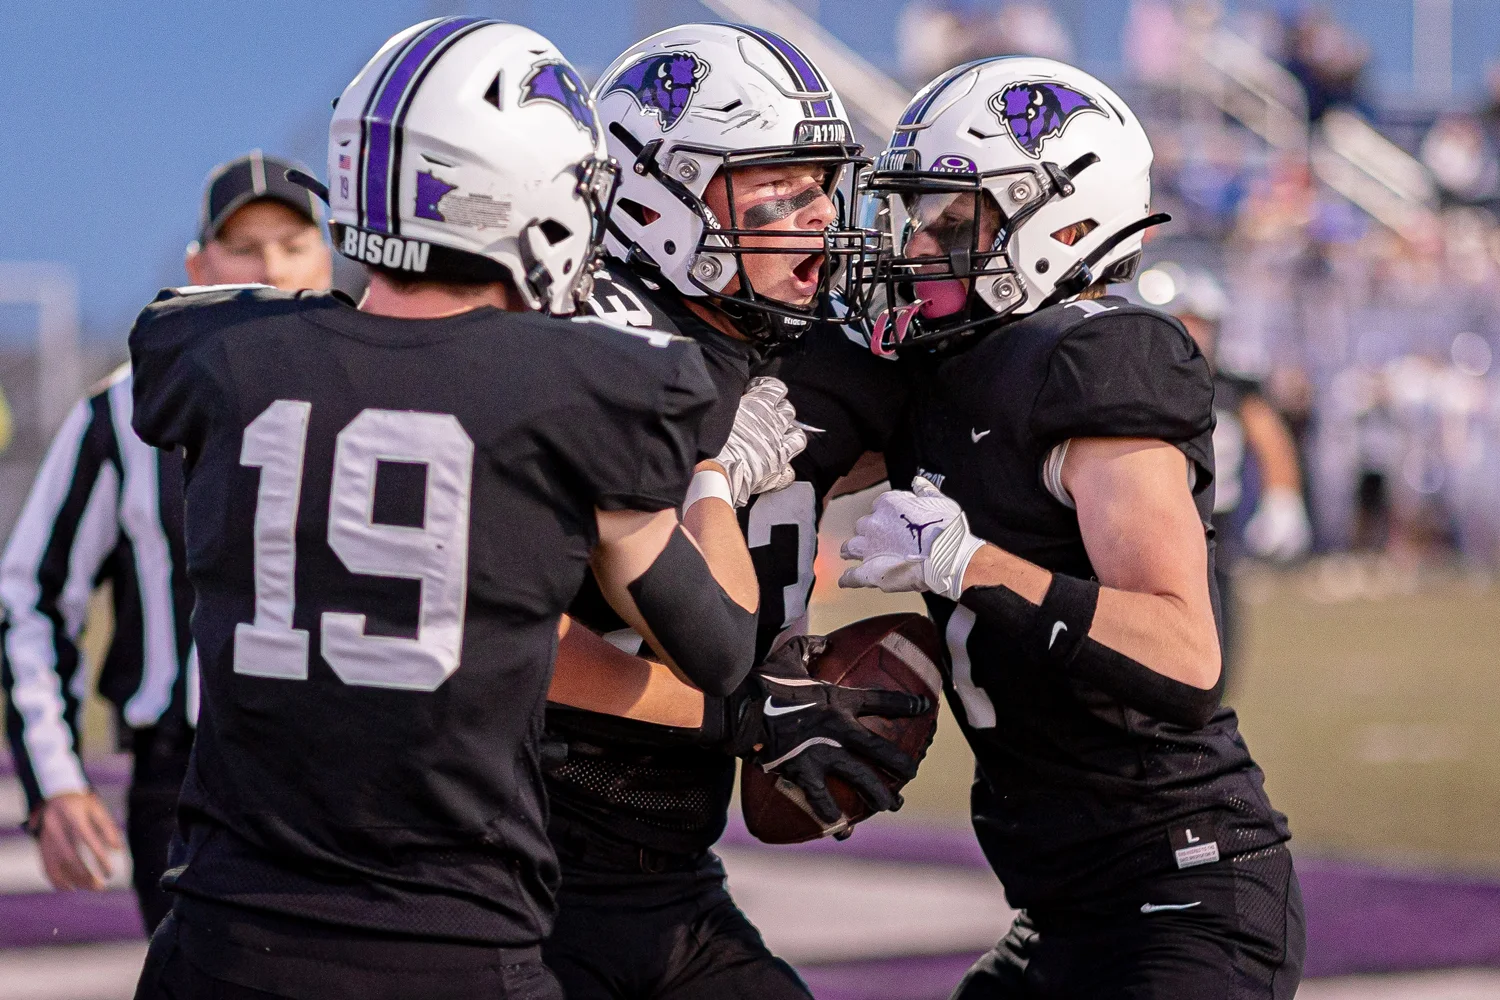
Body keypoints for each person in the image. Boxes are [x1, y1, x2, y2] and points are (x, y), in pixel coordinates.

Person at [128, 19, 761, 1000]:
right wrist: (708, 472)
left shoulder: (215, 351)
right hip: (447, 948)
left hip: (217, 941)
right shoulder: (579, 388)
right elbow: (720, 648)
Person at [837, 57, 1305, 999]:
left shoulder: (1095, 356)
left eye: (955, 220)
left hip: (1183, 891)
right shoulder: (950, 372)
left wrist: (969, 564)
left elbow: (1183, 655)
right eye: (920, 217)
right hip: (1060, 913)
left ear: (1066, 222)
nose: (922, 247)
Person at [537, 24, 925, 1000]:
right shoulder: (577, 354)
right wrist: (750, 708)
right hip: (505, 867)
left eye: (823, 186)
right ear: (654, 199)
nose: (819, 217)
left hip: (665, 875)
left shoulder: (819, 363)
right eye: (778, 191)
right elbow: (486, 630)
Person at [0, 150, 331, 933]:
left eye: (291, 244)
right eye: (245, 248)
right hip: (185, 777)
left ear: (329, 254)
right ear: (198, 263)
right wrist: (56, 781)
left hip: (345, 769)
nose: (271, 269)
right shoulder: (120, 414)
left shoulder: (400, 398)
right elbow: (32, 598)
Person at [1165, 268, 1310, 678]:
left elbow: (1269, 437)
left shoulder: (1230, 387)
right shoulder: (1147, 382)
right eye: (1184, 322)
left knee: (1218, 632)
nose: (1193, 334)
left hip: (1214, 527)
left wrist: (1283, 497)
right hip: (1160, 515)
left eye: (1201, 324)